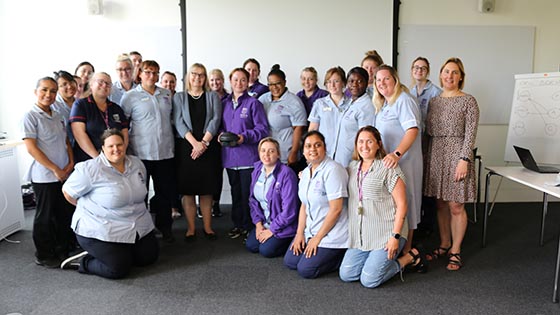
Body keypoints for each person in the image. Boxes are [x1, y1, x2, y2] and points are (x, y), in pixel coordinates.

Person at [61, 129, 159, 279]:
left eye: (119, 145)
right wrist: (88, 208)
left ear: (125, 145)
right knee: (118, 269)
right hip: (101, 228)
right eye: (111, 146)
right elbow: (67, 193)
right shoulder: (90, 169)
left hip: (134, 224)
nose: (116, 149)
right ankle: (84, 262)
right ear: (103, 148)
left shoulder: (137, 164)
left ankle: (119, 252)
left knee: (148, 258)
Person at [339, 126, 427, 289]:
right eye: (361, 142)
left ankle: (409, 258)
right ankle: (374, 260)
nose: (364, 146)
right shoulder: (352, 167)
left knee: (369, 280)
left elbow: (402, 205)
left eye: (369, 141)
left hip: (387, 234)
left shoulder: (389, 167)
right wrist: (307, 172)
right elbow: (331, 174)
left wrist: (395, 237)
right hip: (362, 236)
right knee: (347, 274)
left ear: (378, 144)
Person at [423, 57, 480, 271]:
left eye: (455, 72)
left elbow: (470, 134)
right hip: (436, 153)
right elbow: (428, 133)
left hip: (458, 154)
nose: (450, 76)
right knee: (440, 203)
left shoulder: (468, 101)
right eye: (446, 72)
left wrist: (464, 159)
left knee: (456, 205)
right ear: (440, 75)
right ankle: (445, 243)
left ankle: (456, 250)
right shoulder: (434, 101)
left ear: (461, 77)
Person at [121, 60, 177, 243]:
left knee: (164, 194)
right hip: (140, 155)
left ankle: (165, 228)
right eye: (148, 72)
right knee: (140, 194)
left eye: (155, 73)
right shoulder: (129, 97)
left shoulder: (166, 94)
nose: (152, 76)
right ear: (140, 73)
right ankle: (143, 231)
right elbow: (124, 126)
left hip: (165, 153)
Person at [22, 77, 75, 268]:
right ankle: (44, 254)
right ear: (36, 91)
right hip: (44, 176)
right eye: (44, 90)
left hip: (64, 173)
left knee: (63, 214)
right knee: (45, 216)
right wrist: (55, 169)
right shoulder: (30, 116)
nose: (49, 94)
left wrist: (70, 162)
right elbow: (31, 148)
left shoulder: (58, 114)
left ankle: (61, 249)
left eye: (53, 91)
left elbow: (66, 141)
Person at [372, 64, 423, 256]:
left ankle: (408, 250)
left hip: (405, 161)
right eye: (378, 80)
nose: (382, 83)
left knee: (407, 201)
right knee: (395, 203)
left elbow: (412, 130)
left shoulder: (404, 100)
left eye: (386, 78)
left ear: (395, 79)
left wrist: (397, 154)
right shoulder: (384, 103)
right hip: (389, 163)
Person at [283, 131, 348, 279]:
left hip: (332, 233)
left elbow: (336, 209)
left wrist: (317, 238)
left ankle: (341, 256)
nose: (312, 149)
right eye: (308, 146)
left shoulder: (333, 170)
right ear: (303, 151)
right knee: (290, 261)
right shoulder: (306, 173)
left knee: (306, 270)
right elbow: (304, 206)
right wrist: (300, 234)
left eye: (317, 145)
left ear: (325, 148)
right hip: (311, 230)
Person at [173, 63, 222, 241]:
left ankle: (208, 227)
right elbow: (178, 122)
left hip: (207, 146)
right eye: (194, 74)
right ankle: (191, 228)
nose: (198, 78)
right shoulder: (179, 97)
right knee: (188, 190)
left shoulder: (212, 96)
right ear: (188, 76)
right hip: (187, 146)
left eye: (201, 75)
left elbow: (215, 120)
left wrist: (203, 143)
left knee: (206, 189)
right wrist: (195, 143)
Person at [219, 67, 269, 239]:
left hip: (248, 157)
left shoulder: (254, 104)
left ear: (248, 82)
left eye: (242, 80)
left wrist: (243, 137)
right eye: (235, 80)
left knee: (249, 195)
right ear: (230, 82)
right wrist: (220, 136)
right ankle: (238, 225)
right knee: (236, 193)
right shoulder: (224, 103)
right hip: (230, 158)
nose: (239, 83)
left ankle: (250, 227)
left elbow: (262, 130)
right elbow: (220, 127)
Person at [308, 67, 374, 167]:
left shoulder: (352, 103)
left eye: (336, 81)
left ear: (343, 83)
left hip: (347, 156)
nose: (332, 85)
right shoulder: (320, 103)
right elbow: (312, 130)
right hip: (324, 153)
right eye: (329, 81)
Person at [246, 138, 299, 257]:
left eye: (271, 151)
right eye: (263, 151)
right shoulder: (257, 171)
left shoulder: (286, 174)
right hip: (265, 222)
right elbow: (253, 201)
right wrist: (258, 225)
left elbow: (289, 211)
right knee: (251, 246)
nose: (266, 154)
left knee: (266, 251)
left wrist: (272, 230)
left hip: (284, 225)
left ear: (278, 154)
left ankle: (290, 239)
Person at [409, 57, 442, 236]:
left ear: (427, 71)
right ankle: (417, 222)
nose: (419, 71)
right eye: (416, 68)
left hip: (429, 142)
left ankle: (427, 225)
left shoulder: (435, 92)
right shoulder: (409, 91)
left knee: (428, 184)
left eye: (422, 68)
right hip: (414, 144)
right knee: (416, 184)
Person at [69, 72, 129, 164]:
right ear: (91, 84)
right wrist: (98, 158)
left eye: (108, 84)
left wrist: (119, 155)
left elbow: (124, 133)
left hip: (114, 160)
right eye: (100, 82)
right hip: (89, 160)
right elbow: (79, 134)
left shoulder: (116, 108)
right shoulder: (80, 105)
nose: (104, 85)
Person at [258, 64, 307, 169]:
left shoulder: (294, 102)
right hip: (267, 156)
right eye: (271, 84)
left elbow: (298, 129)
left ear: (284, 82)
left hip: (285, 155)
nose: (274, 87)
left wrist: (293, 153)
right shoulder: (262, 100)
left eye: (278, 83)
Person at [208, 68, 229, 217]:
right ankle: (205, 205)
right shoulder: (206, 97)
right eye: (212, 80)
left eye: (218, 79)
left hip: (226, 141)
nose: (215, 82)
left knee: (220, 175)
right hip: (209, 140)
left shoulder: (229, 98)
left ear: (223, 80)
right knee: (211, 174)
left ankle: (216, 204)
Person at [52, 70, 77, 143]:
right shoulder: (53, 106)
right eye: (64, 84)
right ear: (57, 89)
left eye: (71, 82)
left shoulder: (81, 104)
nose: (69, 86)